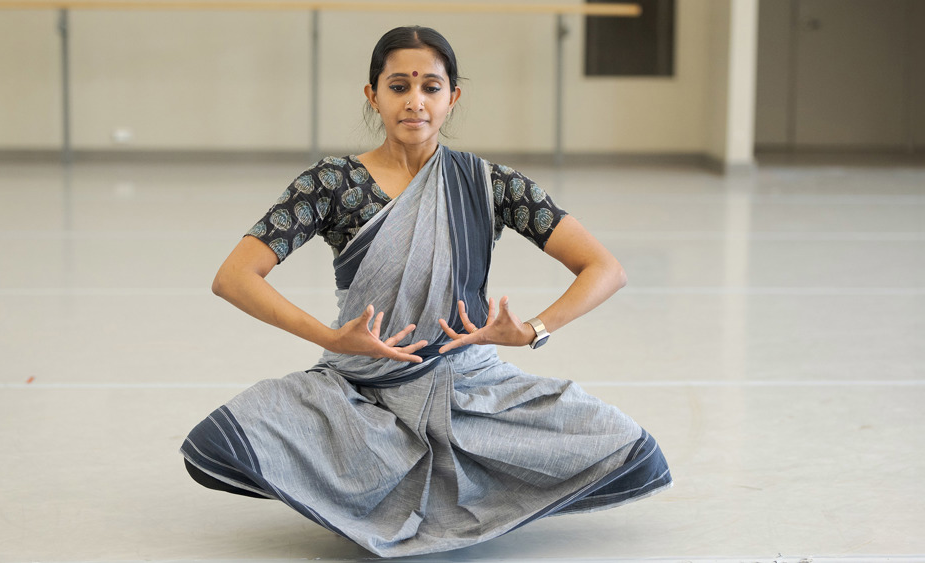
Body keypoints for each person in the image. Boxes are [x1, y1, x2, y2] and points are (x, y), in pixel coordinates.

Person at [181, 25, 672, 557]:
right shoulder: (331, 183)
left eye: (430, 87)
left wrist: (533, 329)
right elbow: (234, 277)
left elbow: (605, 268)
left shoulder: (488, 183)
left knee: (629, 450)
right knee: (221, 442)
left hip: (469, 383)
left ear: (451, 98)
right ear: (373, 95)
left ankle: (418, 492)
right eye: (398, 87)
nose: (415, 102)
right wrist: (332, 339)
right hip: (362, 387)